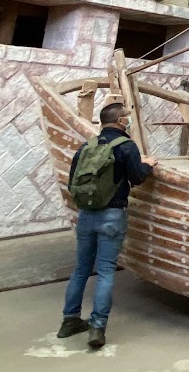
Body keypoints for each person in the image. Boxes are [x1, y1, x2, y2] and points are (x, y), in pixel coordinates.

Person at [57, 101, 157, 349]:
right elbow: (137, 177)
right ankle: (97, 328)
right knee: (105, 271)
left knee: (81, 269)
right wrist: (148, 165)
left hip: (86, 215)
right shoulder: (126, 146)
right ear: (121, 121)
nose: (129, 120)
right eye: (127, 116)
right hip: (112, 216)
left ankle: (69, 321)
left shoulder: (87, 146)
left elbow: (72, 183)